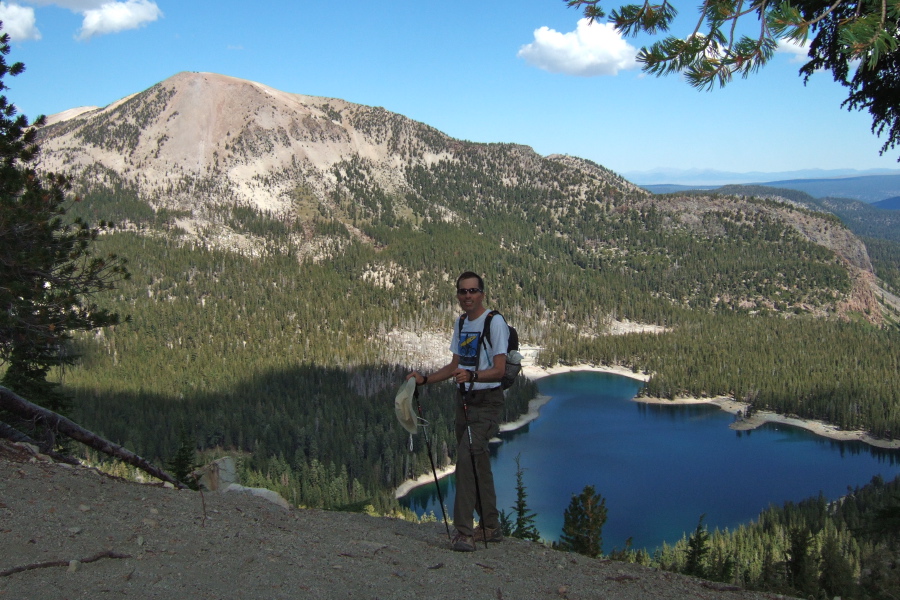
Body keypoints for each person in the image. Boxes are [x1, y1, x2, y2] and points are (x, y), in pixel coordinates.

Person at [406, 271, 509, 552]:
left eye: (473, 291)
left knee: (465, 460)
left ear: (482, 294)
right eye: (462, 292)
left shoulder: (494, 322)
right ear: (458, 295)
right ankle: (491, 527)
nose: (467, 296)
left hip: (486, 401)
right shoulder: (462, 322)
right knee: (478, 464)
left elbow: (499, 370)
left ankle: (464, 532)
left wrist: (473, 377)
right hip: (463, 400)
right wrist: (425, 380)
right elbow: (455, 366)